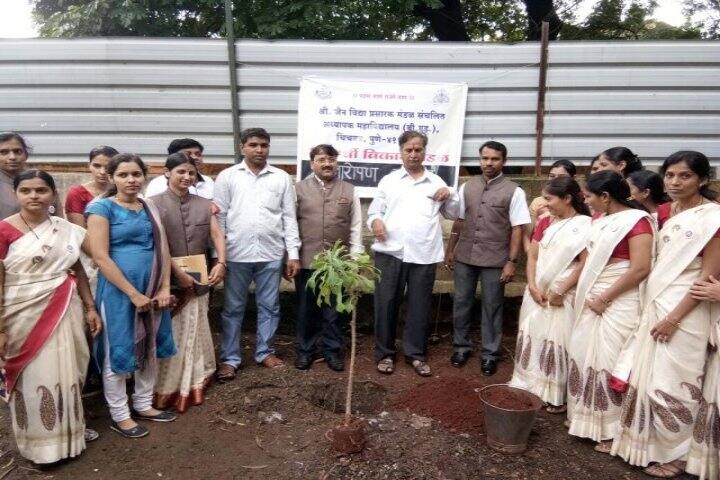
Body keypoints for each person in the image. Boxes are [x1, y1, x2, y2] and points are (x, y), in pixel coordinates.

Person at [611, 151, 720, 478]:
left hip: (687, 310)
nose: (675, 182)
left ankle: (679, 454)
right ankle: (647, 446)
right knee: (648, 377)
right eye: (670, 175)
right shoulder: (662, 212)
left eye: (685, 176)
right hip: (656, 303)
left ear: (702, 179)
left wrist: (674, 318)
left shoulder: (712, 219)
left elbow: (708, 278)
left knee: (675, 381)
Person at [0, 170, 101, 464]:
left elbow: (79, 268)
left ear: (53, 194)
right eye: (26, 190)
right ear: (16, 194)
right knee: (33, 377)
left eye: (41, 190)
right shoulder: (3, 230)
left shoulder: (66, 229)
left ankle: (71, 433)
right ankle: (39, 446)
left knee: (69, 370)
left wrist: (90, 307)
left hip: (65, 307)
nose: (34, 196)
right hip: (20, 314)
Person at [86, 153, 177, 439]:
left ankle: (143, 404)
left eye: (136, 174)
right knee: (119, 349)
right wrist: (133, 294)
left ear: (144, 176)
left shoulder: (149, 206)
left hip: (152, 286)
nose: (131, 180)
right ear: (112, 178)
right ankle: (120, 415)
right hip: (118, 291)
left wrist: (164, 287)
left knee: (150, 345)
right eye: (123, 175)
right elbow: (100, 257)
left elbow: (162, 249)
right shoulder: (101, 208)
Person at [566, 171, 654, 453]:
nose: (586, 202)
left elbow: (640, 268)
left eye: (589, 196)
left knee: (609, 360)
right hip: (593, 295)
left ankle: (612, 431)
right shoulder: (602, 220)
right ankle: (585, 420)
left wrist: (605, 297)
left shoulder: (637, 221)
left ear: (605, 196)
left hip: (620, 299)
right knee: (584, 353)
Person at [368, 130, 458, 377]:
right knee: (385, 303)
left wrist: (450, 194)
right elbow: (374, 211)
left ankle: (415, 354)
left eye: (418, 150)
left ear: (424, 152)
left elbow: (453, 213)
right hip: (390, 252)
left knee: (419, 306)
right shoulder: (389, 181)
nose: (413, 154)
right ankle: (385, 354)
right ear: (401, 152)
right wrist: (375, 221)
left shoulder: (436, 182)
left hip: (423, 253)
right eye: (408, 150)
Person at [213, 127, 301, 379]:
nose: (259, 150)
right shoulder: (227, 177)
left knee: (270, 306)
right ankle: (230, 358)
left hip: (271, 254)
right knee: (232, 308)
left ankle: (265, 352)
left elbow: (289, 217)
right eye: (253, 145)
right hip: (236, 254)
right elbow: (220, 219)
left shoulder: (281, 178)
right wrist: (220, 257)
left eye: (264, 145)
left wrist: (293, 253)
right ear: (242, 147)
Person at [444, 140, 531, 376]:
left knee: (492, 306)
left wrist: (511, 262)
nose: (489, 163)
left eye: (494, 159)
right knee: (461, 302)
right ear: (479, 159)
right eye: (485, 158)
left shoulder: (515, 191)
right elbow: (459, 220)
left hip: (495, 259)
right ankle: (461, 347)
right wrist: (451, 249)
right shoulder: (467, 186)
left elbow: (517, 228)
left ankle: (490, 354)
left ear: (504, 161)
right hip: (465, 256)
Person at [149, 152, 227, 413]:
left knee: (195, 326)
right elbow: (157, 245)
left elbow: (217, 235)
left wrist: (221, 263)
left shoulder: (205, 204)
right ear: (167, 173)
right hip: (165, 278)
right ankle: (166, 386)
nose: (186, 176)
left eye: (191, 173)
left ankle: (194, 380)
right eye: (180, 171)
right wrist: (177, 272)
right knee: (171, 331)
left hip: (198, 273)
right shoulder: (152, 204)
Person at [509, 177, 592, 413]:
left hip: (562, 294)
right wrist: (532, 285)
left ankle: (554, 394)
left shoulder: (586, 225)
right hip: (537, 290)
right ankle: (530, 385)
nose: (544, 203)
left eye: (549, 198)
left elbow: (585, 262)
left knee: (558, 341)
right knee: (534, 335)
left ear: (567, 198)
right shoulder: (546, 221)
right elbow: (533, 256)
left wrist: (561, 289)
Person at [294, 144, 363, 371]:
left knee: (334, 310)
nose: (327, 164)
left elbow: (356, 227)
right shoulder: (298, 189)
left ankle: (332, 351)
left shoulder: (350, 190)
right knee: (306, 309)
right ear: (312, 163)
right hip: (307, 260)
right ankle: (305, 351)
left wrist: (355, 259)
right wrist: (291, 256)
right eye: (322, 159)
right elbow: (290, 224)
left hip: (338, 263)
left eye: (331, 159)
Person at [65, 146, 118, 290]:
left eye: (107, 167)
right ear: (89, 166)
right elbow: (80, 233)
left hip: (121, 253)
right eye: (97, 166)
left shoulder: (123, 191)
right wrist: (103, 259)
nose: (102, 171)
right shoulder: (77, 193)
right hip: (91, 259)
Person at [0, 132, 63, 219]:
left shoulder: (41, 179)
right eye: (4, 152)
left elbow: (58, 217)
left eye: (17, 151)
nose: (12, 157)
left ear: (26, 155)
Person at [144, 138, 214, 199]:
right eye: (188, 154)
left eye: (198, 154)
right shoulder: (158, 184)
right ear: (173, 157)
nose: (195, 157)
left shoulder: (208, 181)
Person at [528, 159, 577, 226]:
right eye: (552, 176)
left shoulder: (582, 201)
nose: (555, 180)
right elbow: (528, 232)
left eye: (562, 177)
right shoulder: (537, 202)